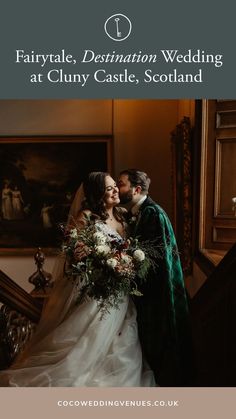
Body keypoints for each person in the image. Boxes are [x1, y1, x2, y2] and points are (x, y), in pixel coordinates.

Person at [0, 172, 155, 387]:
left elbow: (128, 249)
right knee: (88, 341)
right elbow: (73, 256)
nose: (115, 190)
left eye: (115, 186)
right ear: (97, 194)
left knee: (123, 340)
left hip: (120, 291)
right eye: (109, 188)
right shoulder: (86, 217)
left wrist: (125, 263)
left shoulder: (122, 214)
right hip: (96, 292)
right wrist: (100, 261)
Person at [118, 169, 193, 386]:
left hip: (157, 294)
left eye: (122, 184)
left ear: (137, 189)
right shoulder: (140, 212)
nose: (118, 188)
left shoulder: (153, 213)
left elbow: (156, 260)